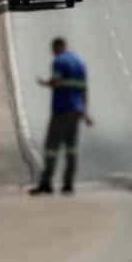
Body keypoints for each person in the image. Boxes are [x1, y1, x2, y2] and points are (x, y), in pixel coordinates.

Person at [31, 38, 92, 195]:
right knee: (71, 149)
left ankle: (46, 182)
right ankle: (68, 184)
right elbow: (84, 90)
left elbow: (56, 82)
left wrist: (45, 83)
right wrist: (85, 112)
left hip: (61, 110)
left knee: (51, 147)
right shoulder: (80, 63)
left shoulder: (59, 62)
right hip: (76, 111)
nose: (53, 53)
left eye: (53, 50)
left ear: (58, 47)